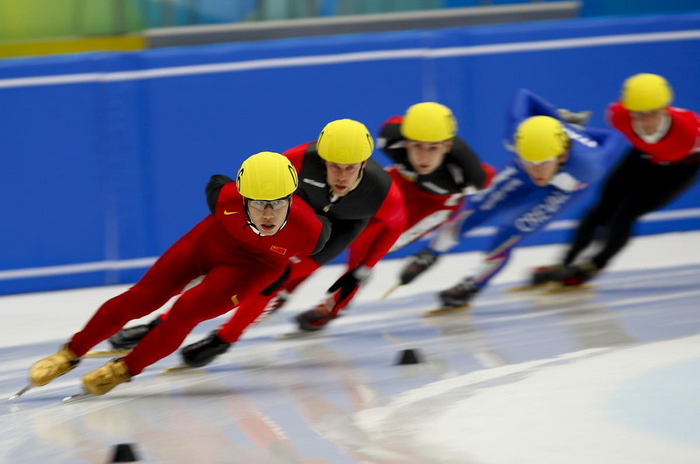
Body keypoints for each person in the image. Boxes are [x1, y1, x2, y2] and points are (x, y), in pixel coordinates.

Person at [27, 152, 331, 395]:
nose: (267, 214)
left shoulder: (310, 233)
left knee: (185, 311)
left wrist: (274, 282)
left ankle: (124, 370)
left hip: (254, 268)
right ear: (242, 197)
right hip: (208, 243)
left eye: (277, 204)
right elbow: (215, 181)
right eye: (258, 203)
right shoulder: (224, 198)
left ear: (292, 199)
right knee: (141, 298)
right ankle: (69, 353)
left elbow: (305, 261)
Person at [110, 119, 406, 366]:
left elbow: (396, 226)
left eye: (350, 168)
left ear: (365, 163)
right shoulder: (297, 160)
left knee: (274, 280)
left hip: (340, 227)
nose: (340, 176)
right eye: (334, 166)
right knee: (229, 267)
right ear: (322, 159)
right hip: (293, 213)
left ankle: (225, 339)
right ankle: (161, 323)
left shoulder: (382, 191)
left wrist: (363, 268)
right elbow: (258, 187)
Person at [398, 88, 625, 313]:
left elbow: (613, 138)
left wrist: (572, 129)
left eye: (542, 163)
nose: (536, 170)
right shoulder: (516, 133)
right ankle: (430, 253)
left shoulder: (589, 165)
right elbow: (524, 95)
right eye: (529, 161)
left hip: (565, 186)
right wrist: (556, 119)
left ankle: (471, 285)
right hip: (522, 171)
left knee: (510, 230)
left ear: (562, 155)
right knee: (477, 209)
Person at [266, 102, 494, 321]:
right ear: (405, 141)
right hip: (399, 184)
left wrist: (433, 250)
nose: (424, 157)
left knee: (365, 249)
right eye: (416, 146)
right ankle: (285, 289)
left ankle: (334, 304)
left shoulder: (469, 175)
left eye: (433, 148)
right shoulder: (390, 136)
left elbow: (479, 192)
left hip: (434, 205)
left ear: (447, 146)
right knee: (328, 232)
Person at [535, 73, 700, 286]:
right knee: (600, 209)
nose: (646, 121)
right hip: (643, 155)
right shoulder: (618, 116)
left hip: (680, 168)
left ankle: (594, 265)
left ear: (665, 109)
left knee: (625, 214)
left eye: (653, 113)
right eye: (638, 115)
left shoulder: (689, 131)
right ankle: (564, 262)